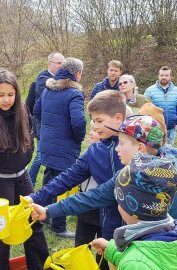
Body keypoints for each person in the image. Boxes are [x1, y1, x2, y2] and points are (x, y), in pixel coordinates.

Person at [30, 107, 177, 269]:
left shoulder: (165, 183)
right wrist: (48, 211)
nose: (117, 149)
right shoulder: (129, 174)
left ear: (140, 148)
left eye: (121, 143)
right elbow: (94, 196)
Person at [0, 69, 49, 270]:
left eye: (10, 95)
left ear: (17, 93)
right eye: (1, 95)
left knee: (33, 223)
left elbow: (28, 136)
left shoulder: (23, 109)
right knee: (0, 231)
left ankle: (39, 266)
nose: (6, 100)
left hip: (22, 177)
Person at [30, 90, 124, 241]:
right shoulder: (95, 150)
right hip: (107, 221)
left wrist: (49, 210)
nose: (93, 125)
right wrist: (36, 197)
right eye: (92, 120)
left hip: (132, 229)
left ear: (118, 118)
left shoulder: (135, 149)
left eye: (99, 121)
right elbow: (68, 177)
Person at [91, 152, 177, 269]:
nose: (118, 206)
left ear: (133, 210)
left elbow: (138, 262)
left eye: (120, 202)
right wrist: (111, 249)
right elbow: (149, 260)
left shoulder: (133, 263)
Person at [33, 57, 86, 238]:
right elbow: (78, 122)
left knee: (49, 178)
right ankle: (59, 226)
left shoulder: (48, 89)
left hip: (47, 143)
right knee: (62, 184)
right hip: (64, 146)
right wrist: (78, 139)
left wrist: (42, 133)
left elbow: (36, 111)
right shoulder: (74, 94)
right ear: (77, 74)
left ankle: (42, 214)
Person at [74, 122, 108, 269]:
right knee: (81, 245)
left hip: (103, 209)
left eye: (94, 130)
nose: (90, 133)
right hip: (86, 207)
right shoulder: (88, 152)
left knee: (104, 250)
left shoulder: (108, 157)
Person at [31, 52, 65, 186]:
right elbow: (47, 93)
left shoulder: (58, 78)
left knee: (45, 154)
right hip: (41, 123)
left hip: (51, 123)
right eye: (58, 63)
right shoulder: (43, 78)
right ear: (50, 64)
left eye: (63, 63)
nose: (61, 66)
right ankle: (30, 180)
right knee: (40, 154)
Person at [144, 66, 177, 145]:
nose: (164, 77)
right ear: (158, 76)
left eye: (166, 75)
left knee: (169, 151)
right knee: (156, 150)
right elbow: (144, 108)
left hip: (172, 127)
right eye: (162, 75)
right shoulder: (149, 90)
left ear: (170, 77)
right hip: (155, 127)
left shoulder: (176, 90)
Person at [25, 81, 40, 186]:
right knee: (40, 155)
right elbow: (29, 105)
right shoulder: (36, 84)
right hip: (39, 126)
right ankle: (31, 180)